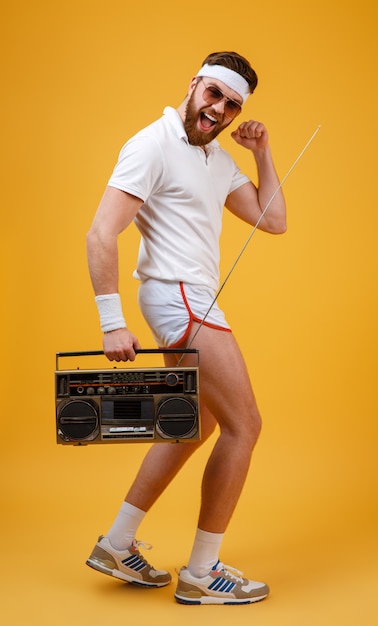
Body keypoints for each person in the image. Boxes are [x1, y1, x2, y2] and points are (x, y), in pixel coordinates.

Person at [85, 50, 286, 605]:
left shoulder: (217, 159)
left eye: (231, 104)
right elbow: (101, 233)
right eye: (213, 94)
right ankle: (202, 571)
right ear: (194, 84)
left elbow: (274, 220)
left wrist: (262, 152)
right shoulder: (151, 144)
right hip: (179, 298)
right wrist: (111, 324)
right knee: (245, 426)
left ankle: (119, 541)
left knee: (193, 423)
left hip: (189, 298)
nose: (218, 109)